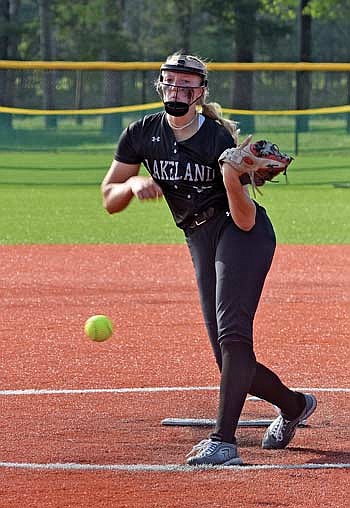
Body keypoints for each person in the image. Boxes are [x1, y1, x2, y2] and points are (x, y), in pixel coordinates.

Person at [101, 52, 317, 466]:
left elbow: (246, 218)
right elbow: (108, 199)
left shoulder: (217, 139)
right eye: (171, 83)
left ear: (201, 93)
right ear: (159, 85)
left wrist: (232, 177)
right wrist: (130, 186)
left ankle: (223, 441)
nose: (178, 91)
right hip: (198, 237)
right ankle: (293, 406)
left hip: (240, 234)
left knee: (234, 337)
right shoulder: (141, 134)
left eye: (187, 85)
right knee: (226, 356)